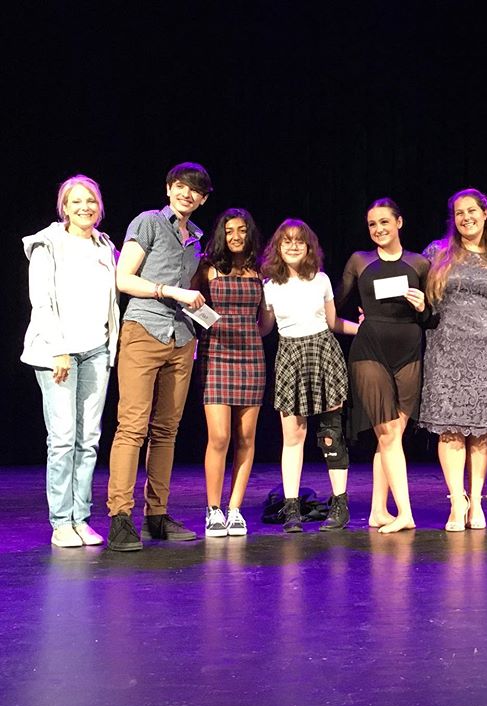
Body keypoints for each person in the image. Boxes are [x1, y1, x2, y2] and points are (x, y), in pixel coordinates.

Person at [106, 162, 212, 552]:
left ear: (202, 199)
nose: (187, 194)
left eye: (196, 190)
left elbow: (194, 292)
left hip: (182, 337)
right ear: (169, 188)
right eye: (181, 187)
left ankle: (156, 516)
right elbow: (124, 278)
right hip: (144, 330)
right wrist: (171, 291)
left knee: (166, 430)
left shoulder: (196, 240)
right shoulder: (149, 222)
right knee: (132, 426)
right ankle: (120, 517)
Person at [21, 175, 120, 548]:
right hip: (58, 353)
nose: (84, 207)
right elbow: (41, 301)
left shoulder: (104, 246)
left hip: (96, 350)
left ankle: (81, 517)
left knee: (89, 440)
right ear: (64, 207)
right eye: (76, 201)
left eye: (90, 200)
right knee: (63, 440)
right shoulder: (48, 244)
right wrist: (57, 348)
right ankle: (61, 521)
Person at [420, 188, 487, 531]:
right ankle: (456, 501)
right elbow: (418, 295)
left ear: (485, 213)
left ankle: (476, 500)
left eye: (472, 211)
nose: (466, 218)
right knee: (450, 429)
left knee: (480, 430)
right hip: (446, 347)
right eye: (459, 213)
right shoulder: (438, 252)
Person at [335, 198, 430, 534]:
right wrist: (353, 325)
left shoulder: (419, 263)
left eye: (384, 222)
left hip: (408, 352)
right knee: (388, 434)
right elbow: (332, 305)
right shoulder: (360, 261)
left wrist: (424, 307)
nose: (378, 229)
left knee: (391, 437)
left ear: (399, 223)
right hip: (370, 351)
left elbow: (433, 317)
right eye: (372, 224)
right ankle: (405, 512)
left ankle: (377, 510)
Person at [261, 219, 358, 532]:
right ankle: (291, 508)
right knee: (294, 437)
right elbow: (263, 328)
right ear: (278, 247)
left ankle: (339, 503)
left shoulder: (321, 280)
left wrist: (366, 329)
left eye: (299, 241)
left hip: (324, 353)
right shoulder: (270, 286)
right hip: (290, 356)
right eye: (286, 241)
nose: (292, 245)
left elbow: (333, 323)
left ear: (308, 247)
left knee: (331, 435)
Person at [194, 208, 266, 538]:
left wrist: (255, 327)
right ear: (221, 235)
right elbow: (192, 308)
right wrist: (218, 326)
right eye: (229, 231)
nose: (235, 236)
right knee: (220, 436)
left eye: (241, 230)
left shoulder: (259, 271)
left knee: (246, 438)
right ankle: (213, 510)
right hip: (217, 356)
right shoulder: (208, 268)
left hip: (251, 357)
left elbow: (265, 323)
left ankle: (234, 509)